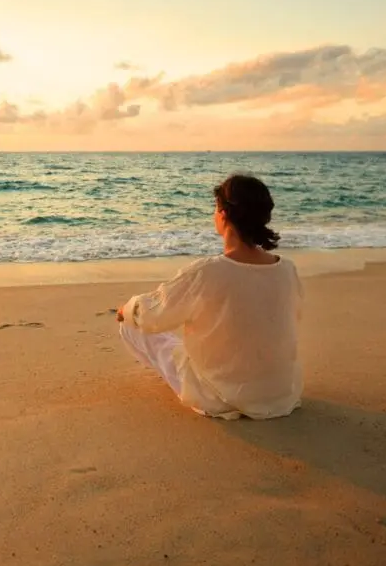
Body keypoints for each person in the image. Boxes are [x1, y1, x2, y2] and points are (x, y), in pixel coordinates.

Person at [117, 173, 303, 420]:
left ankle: (214, 388)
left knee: (132, 324)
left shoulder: (207, 271)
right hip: (279, 395)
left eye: (216, 209)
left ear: (223, 214)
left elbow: (150, 316)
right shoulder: (287, 269)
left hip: (219, 395)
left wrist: (126, 310)